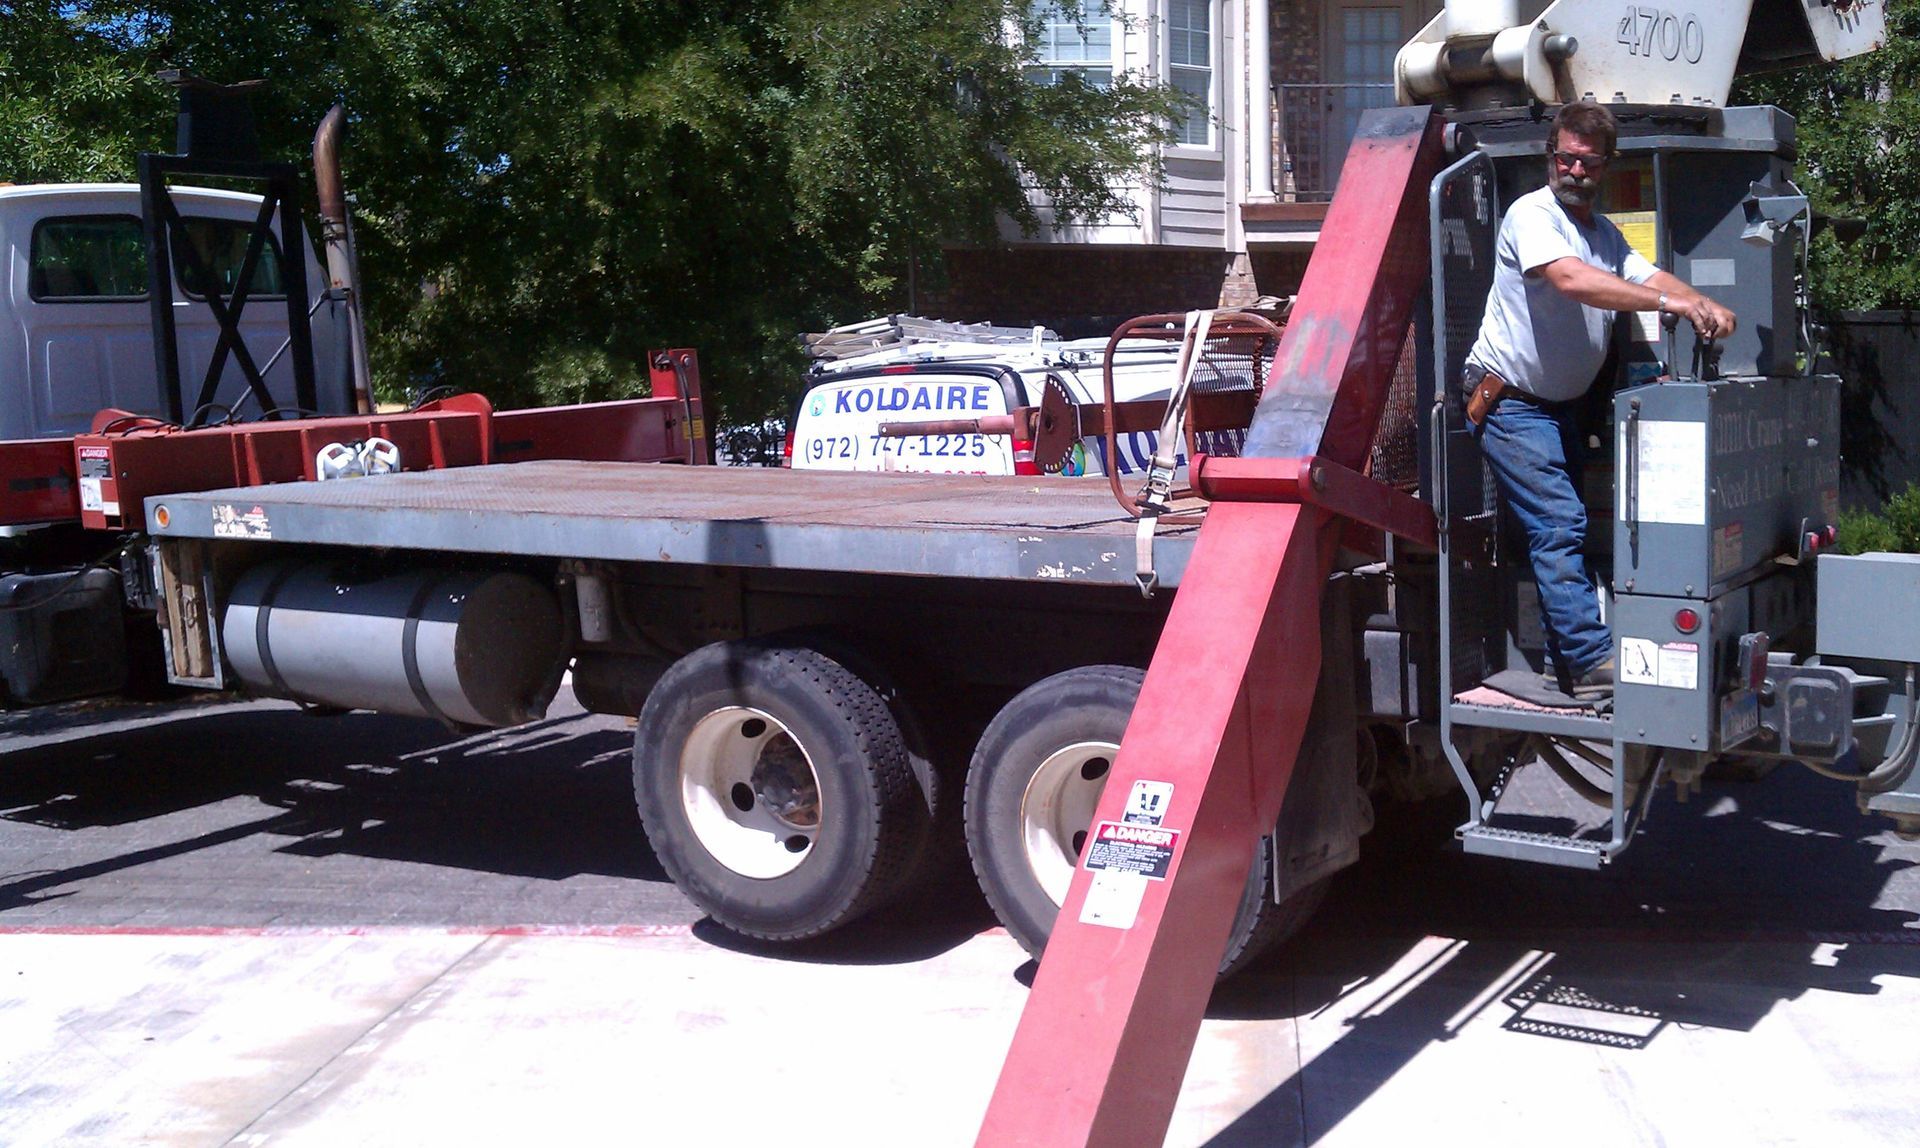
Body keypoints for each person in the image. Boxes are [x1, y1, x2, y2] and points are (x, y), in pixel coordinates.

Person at [1464, 100, 1735, 698]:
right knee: (1559, 524)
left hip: (1558, 407)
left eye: (1588, 162)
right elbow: (1572, 280)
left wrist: (1702, 302)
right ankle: (1588, 663)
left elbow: (1646, 276)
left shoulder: (1601, 232)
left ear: (1605, 165)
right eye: (1565, 158)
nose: (1575, 170)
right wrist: (1676, 307)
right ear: (1549, 156)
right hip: (1511, 401)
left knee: (1570, 523)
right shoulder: (1532, 215)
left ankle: (1579, 645)